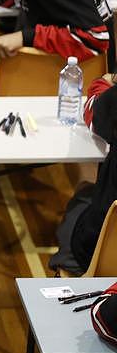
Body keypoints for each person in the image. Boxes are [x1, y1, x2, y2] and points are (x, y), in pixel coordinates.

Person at [50, 74, 117, 274]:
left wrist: (104, 84)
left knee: (82, 197)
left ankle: (67, 270)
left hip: (99, 253)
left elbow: (95, 115)